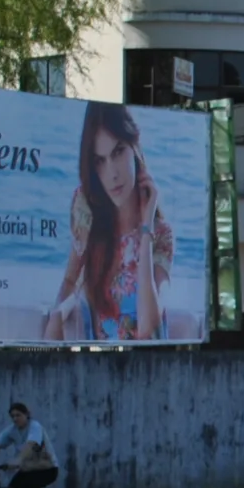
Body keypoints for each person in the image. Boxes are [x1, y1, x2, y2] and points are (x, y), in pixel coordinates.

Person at [45, 104, 174, 341]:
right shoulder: (88, 213)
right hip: (100, 366)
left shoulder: (161, 234)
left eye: (118, 152)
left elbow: (149, 331)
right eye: (99, 161)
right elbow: (70, 279)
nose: (112, 173)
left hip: (151, 367)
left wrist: (146, 230)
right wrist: (56, 318)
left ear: (135, 147)